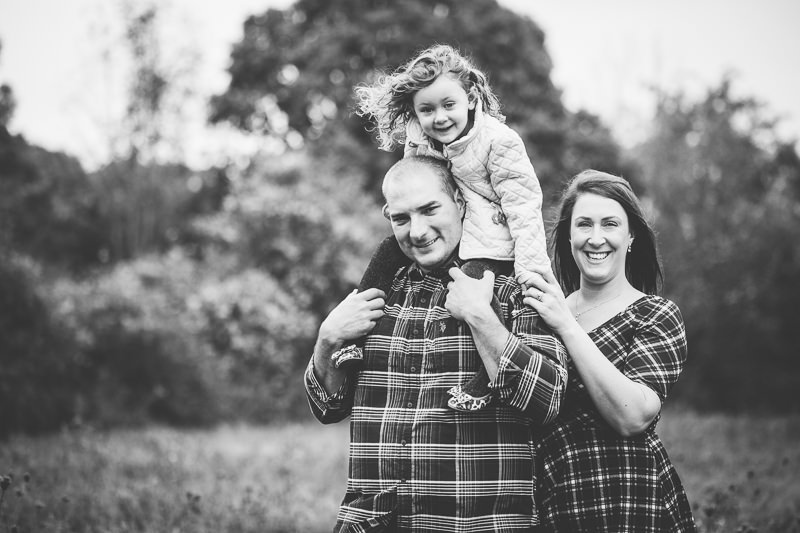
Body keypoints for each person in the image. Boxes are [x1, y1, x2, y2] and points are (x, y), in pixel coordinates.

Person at [305, 156, 567, 532]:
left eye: (430, 210)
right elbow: (327, 407)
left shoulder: (516, 291)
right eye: (401, 218)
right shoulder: (377, 296)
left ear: (460, 203)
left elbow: (548, 400)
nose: (417, 231)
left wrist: (480, 317)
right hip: (372, 522)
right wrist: (327, 339)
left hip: (476, 524)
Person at [340, 44, 550, 412]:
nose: (438, 117)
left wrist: (531, 271)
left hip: (489, 235)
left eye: (448, 105)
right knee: (388, 250)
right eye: (427, 109)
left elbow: (524, 208)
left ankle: (486, 379)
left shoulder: (500, 142)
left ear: (470, 98)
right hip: (452, 224)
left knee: (471, 285)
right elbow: (414, 183)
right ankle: (355, 333)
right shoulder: (420, 136)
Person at [518, 170, 696, 531]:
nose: (596, 238)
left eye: (610, 224)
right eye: (584, 224)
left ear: (631, 237)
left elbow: (632, 417)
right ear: (569, 235)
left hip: (631, 500)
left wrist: (566, 325)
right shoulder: (537, 313)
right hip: (554, 503)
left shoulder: (655, 314)